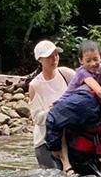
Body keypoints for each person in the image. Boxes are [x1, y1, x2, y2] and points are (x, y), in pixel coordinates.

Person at [28, 40, 75, 169]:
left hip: (70, 137)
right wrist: (53, 110)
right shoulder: (35, 85)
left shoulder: (66, 74)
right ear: (40, 60)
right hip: (45, 142)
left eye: (56, 54)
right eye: (49, 56)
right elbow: (37, 118)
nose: (54, 59)